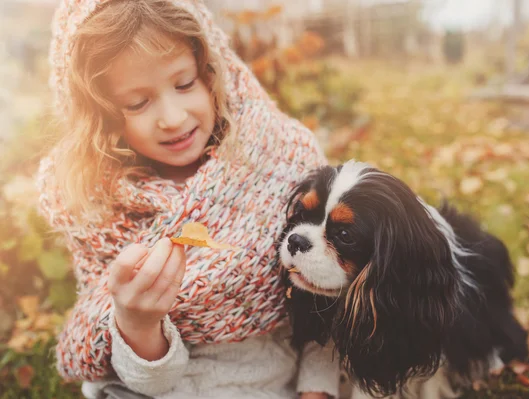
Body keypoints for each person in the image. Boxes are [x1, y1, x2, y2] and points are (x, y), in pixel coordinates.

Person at [35, 0, 339, 398]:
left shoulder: (284, 160)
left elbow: (328, 298)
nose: (173, 117)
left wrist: (317, 389)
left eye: (184, 84)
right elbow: (143, 376)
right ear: (101, 114)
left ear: (212, 71)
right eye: (138, 103)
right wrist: (138, 323)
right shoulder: (96, 204)